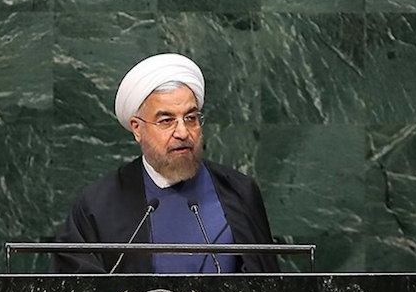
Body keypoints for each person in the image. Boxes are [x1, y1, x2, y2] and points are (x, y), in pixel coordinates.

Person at [51, 53, 279, 274]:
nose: (182, 132)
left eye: (190, 118)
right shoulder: (98, 204)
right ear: (137, 129)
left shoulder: (239, 193)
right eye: (166, 121)